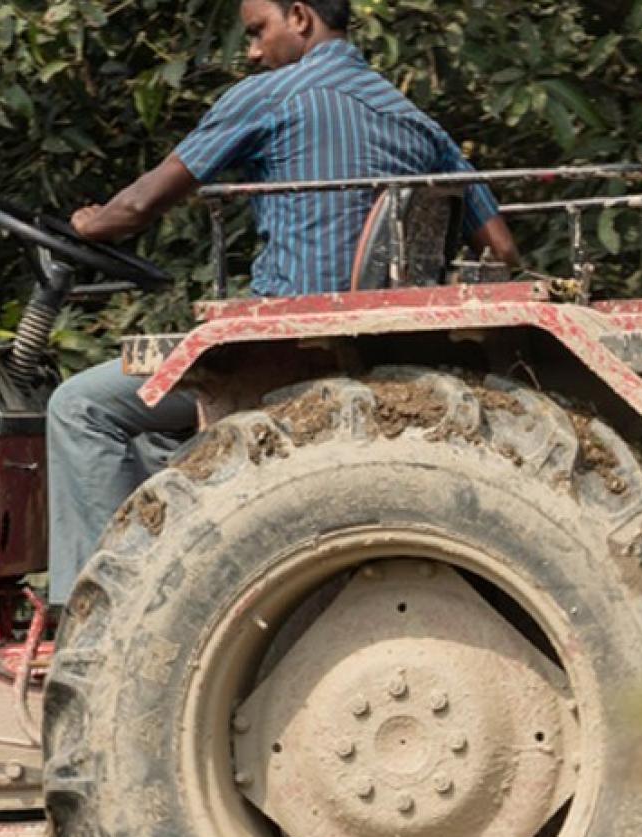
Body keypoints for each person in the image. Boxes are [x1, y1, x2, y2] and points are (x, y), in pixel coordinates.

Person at [42, 0, 522, 605]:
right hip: (377, 347)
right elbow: (503, 250)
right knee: (151, 441)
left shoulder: (273, 94)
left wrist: (85, 225)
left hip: (278, 348)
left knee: (80, 407)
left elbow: (135, 208)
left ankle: (100, 614)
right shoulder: (419, 122)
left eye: (256, 31)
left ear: (299, 16)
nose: (250, 52)